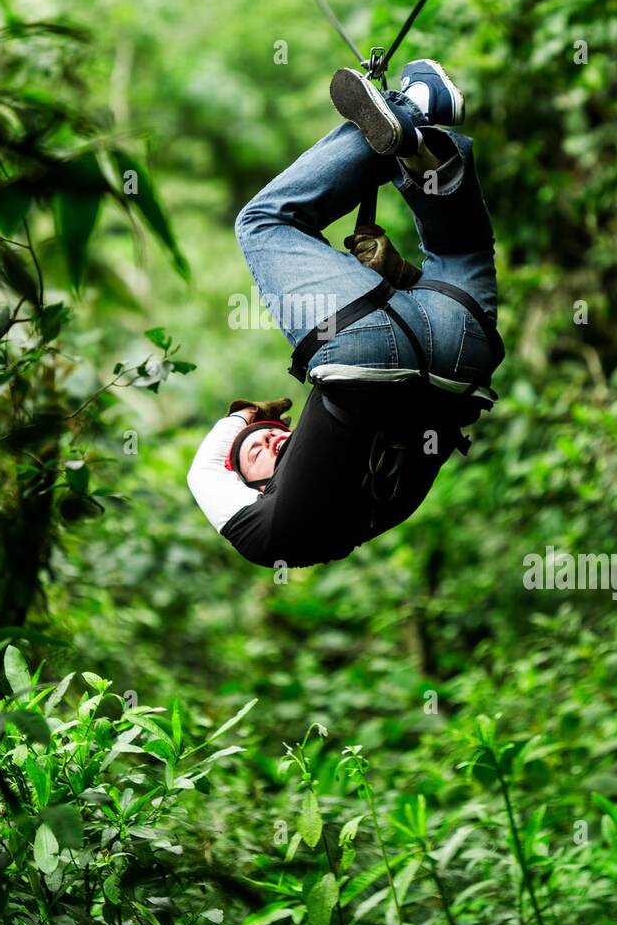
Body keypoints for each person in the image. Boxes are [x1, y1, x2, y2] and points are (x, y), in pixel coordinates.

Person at [187, 57, 504, 569]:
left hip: (448, 360)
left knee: (460, 251)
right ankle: (413, 110)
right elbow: (202, 472)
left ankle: (423, 148)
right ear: (262, 486)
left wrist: (400, 276)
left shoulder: (369, 516)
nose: (267, 439)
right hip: (386, 361)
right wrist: (243, 418)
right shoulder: (271, 539)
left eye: (262, 439)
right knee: (264, 221)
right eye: (256, 453)